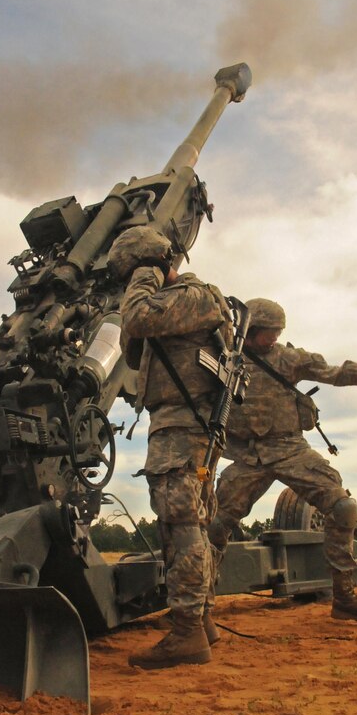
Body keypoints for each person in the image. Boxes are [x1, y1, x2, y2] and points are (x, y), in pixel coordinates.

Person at [207, 297, 357, 624]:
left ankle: (344, 598)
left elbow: (333, 372)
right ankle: (199, 610)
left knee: (343, 508)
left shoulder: (287, 358)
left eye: (278, 332)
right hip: (248, 456)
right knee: (214, 526)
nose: (275, 337)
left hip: (290, 449)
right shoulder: (226, 357)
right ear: (250, 329)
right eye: (270, 332)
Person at [107, 225, 234, 669]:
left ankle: (186, 634)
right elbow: (136, 354)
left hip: (184, 425)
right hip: (177, 423)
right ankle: (203, 622)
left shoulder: (198, 296)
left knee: (181, 525)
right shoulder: (174, 305)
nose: (131, 284)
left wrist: (145, 275)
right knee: (189, 523)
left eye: (134, 272)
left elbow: (138, 319)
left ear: (154, 264)